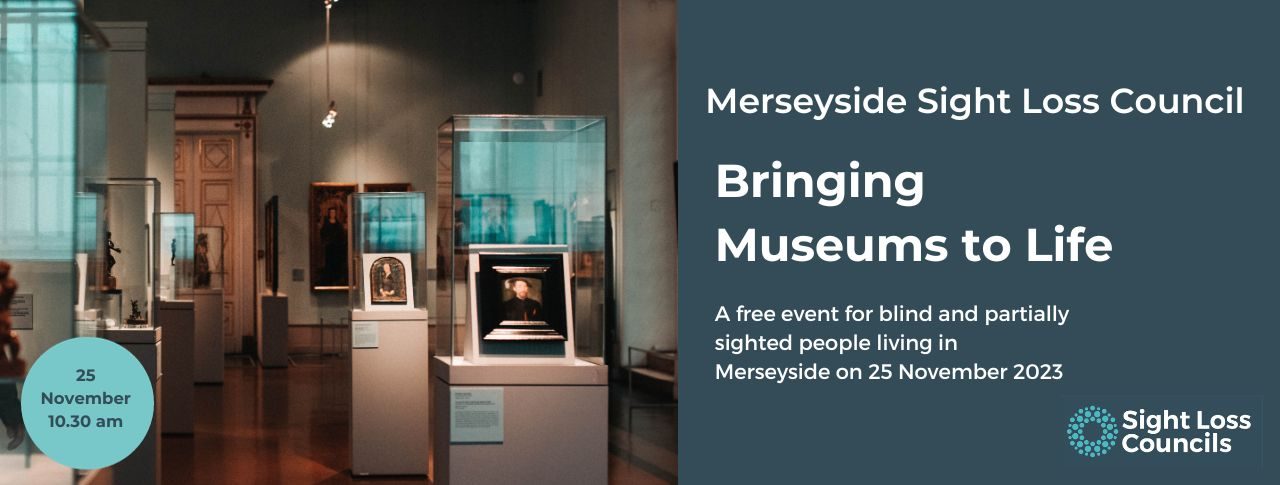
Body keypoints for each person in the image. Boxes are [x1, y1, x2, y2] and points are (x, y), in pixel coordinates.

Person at [319, 207, 348, 286]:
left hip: (337, 247)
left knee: (336, 263)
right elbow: (323, 233)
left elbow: (341, 234)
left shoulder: (338, 223)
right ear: (329, 213)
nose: (332, 214)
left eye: (334, 213)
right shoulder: (326, 223)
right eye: (331, 212)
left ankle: (336, 278)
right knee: (329, 263)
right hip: (329, 247)